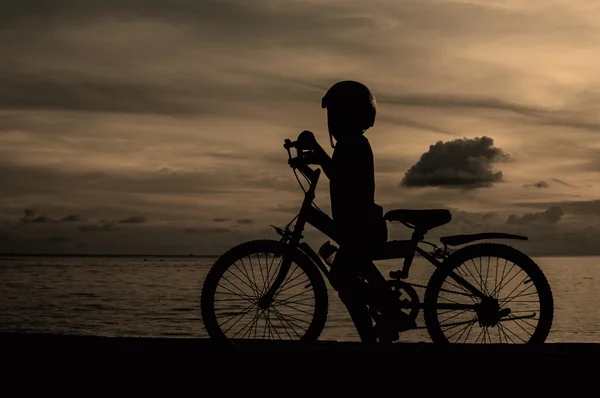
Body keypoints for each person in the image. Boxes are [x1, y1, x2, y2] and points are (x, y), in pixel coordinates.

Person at [297, 80, 416, 343]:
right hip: (359, 226)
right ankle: (379, 327)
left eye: (334, 113)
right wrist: (312, 157)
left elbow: (340, 176)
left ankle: (385, 319)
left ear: (344, 114)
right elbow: (338, 170)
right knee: (349, 277)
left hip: (360, 228)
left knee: (341, 277)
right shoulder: (350, 145)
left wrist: (316, 148)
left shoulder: (354, 144)